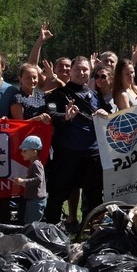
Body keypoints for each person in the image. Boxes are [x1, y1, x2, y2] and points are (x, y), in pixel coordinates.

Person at [44, 56, 109, 229]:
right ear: (71, 71)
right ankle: (48, 232)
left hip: (92, 154)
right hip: (67, 153)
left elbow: (111, 117)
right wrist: (65, 117)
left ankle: (96, 233)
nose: (81, 73)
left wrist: (105, 113)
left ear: (90, 72)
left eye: (85, 69)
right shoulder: (58, 95)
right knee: (57, 195)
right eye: (78, 69)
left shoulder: (96, 95)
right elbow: (50, 115)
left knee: (95, 196)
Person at [12, 135, 48, 226]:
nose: (22, 153)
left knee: (33, 224)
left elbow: (38, 179)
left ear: (34, 152)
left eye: (24, 151)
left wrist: (23, 181)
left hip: (36, 200)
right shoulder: (34, 164)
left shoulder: (36, 164)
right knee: (29, 223)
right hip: (33, 199)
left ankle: (34, 239)